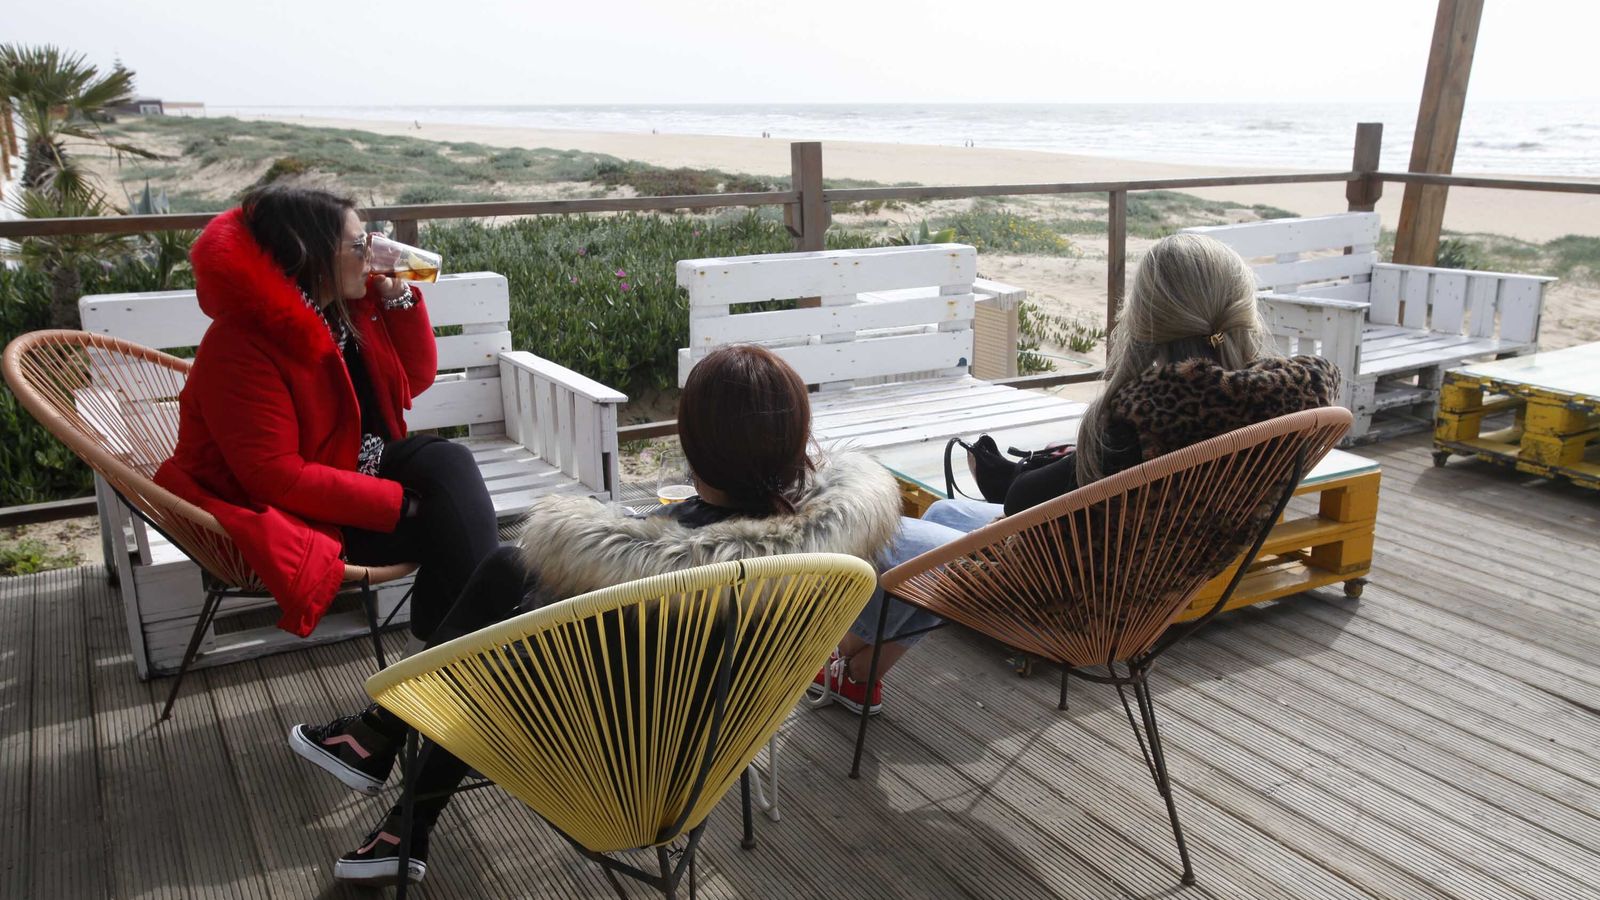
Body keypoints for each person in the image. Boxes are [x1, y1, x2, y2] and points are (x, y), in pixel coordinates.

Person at [295, 344, 908, 887]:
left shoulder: (637, 572)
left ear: (693, 446)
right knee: (508, 570)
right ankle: (377, 747)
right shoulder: (822, 553)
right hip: (717, 743)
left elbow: (512, 675)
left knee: (483, 644)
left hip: (613, 763)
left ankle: (396, 789)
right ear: (794, 440)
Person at [809, 233, 1341, 712]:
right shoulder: (1285, 413)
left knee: (884, 534)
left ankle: (849, 663)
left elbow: (1024, 504)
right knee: (948, 511)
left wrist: (1029, 474)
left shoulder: (1136, 418)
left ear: (1145, 317)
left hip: (1072, 603)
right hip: (1150, 593)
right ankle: (856, 673)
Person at [155, 185, 500, 645]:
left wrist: (398, 300)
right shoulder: (240, 344)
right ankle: (466, 656)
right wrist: (397, 502)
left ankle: (457, 654)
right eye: (358, 246)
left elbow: (412, 381)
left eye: (369, 240)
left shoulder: (343, 311)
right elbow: (273, 477)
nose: (372, 256)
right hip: (277, 513)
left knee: (449, 467)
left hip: (346, 467)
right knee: (453, 524)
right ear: (308, 254)